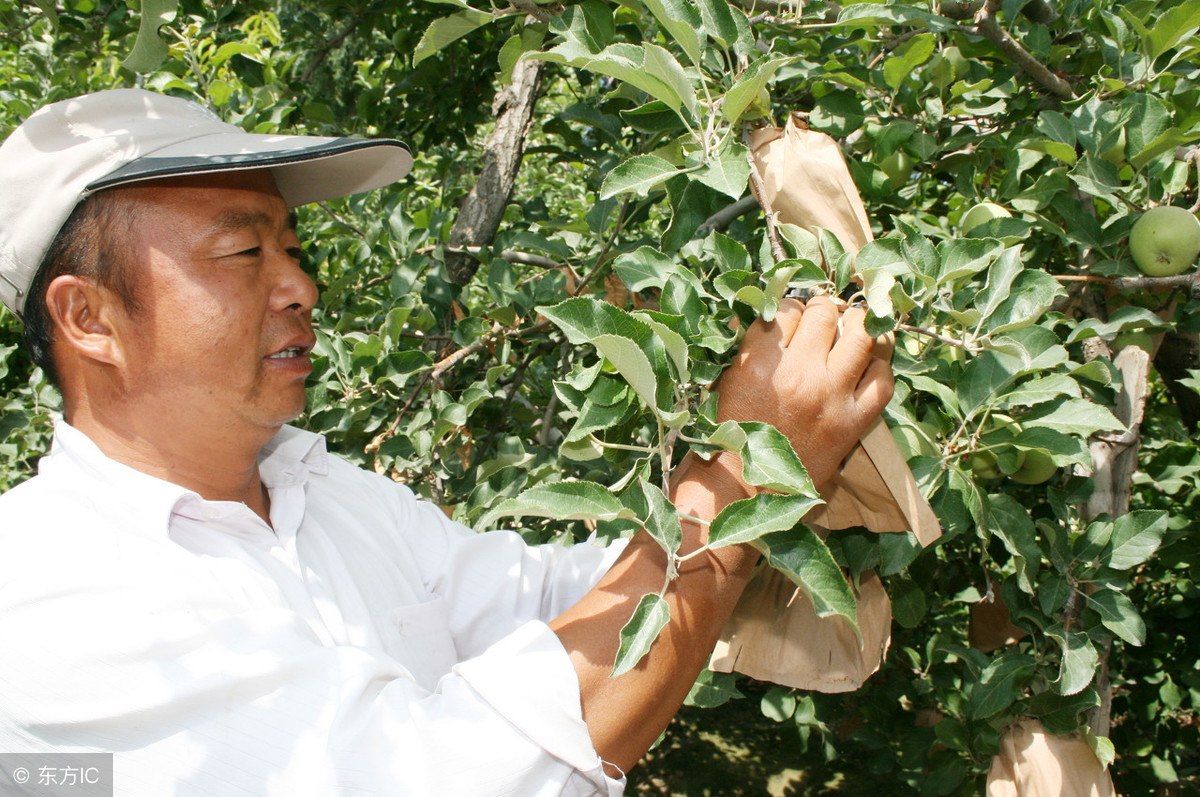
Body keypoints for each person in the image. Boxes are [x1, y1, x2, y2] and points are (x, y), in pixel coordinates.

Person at [0, 89, 894, 795]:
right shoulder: (48, 594)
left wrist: (764, 462)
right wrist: (737, 479)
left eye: (292, 248)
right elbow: (432, 776)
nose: (301, 286)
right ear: (89, 317)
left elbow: (539, 597)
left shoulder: (326, 494)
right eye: (242, 254)